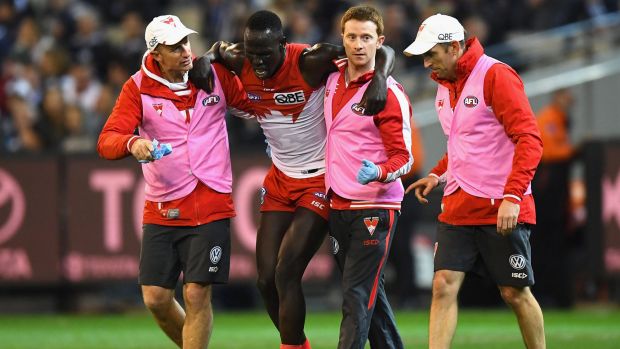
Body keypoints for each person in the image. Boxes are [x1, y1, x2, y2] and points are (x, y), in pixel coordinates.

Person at [190, 10, 395, 349]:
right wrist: (206, 59)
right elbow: (217, 49)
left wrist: (380, 80)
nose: (256, 62)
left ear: (283, 45)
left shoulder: (312, 61)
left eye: (265, 54)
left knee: (287, 271)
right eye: (251, 52)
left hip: (320, 180)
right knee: (265, 280)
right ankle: (299, 344)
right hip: (281, 179)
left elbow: (382, 53)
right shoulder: (241, 58)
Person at [97, 15, 258, 349]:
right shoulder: (137, 87)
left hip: (212, 198)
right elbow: (107, 139)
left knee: (197, 292)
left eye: (186, 42)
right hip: (164, 203)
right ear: (156, 53)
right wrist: (133, 144)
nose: (186, 51)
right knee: (155, 298)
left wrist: (242, 66)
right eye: (174, 47)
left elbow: (255, 107)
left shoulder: (213, 74)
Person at [403, 14, 546, 349]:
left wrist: (513, 195)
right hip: (458, 202)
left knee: (514, 292)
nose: (426, 63)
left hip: (502, 204)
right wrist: (438, 174)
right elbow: (462, 144)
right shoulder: (443, 85)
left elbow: (529, 139)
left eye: (431, 54)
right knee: (443, 284)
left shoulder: (496, 75)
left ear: (454, 47)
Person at [324, 6, 412, 348]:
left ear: (380, 41)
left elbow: (405, 158)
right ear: (342, 38)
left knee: (356, 294)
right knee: (370, 298)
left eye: (366, 37)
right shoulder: (331, 78)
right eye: (351, 37)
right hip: (339, 205)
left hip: (375, 205)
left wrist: (380, 171)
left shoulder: (388, 92)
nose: (358, 45)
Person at [532, 88, 576, 308]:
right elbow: (549, 152)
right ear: (558, 97)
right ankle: (543, 293)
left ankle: (555, 294)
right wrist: (574, 151)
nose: (570, 101)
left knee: (554, 243)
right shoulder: (548, 118)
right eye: (566, 97)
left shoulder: (561, 120)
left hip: (555, 195)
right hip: (545, 192)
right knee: (543, 243)